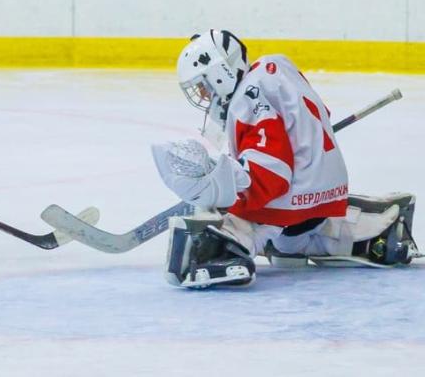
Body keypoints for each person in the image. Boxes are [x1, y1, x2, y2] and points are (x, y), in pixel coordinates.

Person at [152, 29, 419, 289]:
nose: (204, 95)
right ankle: (361, 233)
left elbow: (272, 176)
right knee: (287, 243)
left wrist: (227, 188)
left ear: (220, 73)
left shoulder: (248, 100)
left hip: (295, 191)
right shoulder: (274, 69)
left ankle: (222, 251)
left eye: (203, 86)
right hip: (324, 188)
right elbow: (317, 114)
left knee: (237, 217)